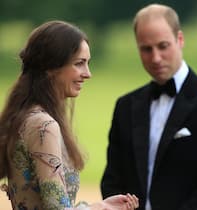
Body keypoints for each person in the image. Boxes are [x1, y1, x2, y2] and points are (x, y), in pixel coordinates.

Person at [100, 3, 197, 210]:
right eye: (146, 49)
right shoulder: (125, 106)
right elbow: (112, 178)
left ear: (180, 39)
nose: (155, 58)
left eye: (163, 46)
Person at [0, 20, 139, 210]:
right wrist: (101, 209)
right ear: (51, 67)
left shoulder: (26, 116)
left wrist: (99, 205)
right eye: (79, 63)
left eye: (87, 63)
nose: (87, 73)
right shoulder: (43, 125)